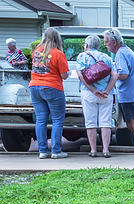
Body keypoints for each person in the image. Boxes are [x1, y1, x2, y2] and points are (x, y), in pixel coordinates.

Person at [28, 27, 69, 159]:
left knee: (40, 120)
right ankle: (56, 151)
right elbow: (63, 75)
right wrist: (68, 73)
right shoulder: (58, 53)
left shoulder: (36, 52)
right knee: (57, 120)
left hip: (34, 87)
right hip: (52, 88)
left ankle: (43, 151)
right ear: (57, 38)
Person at [74, 34, 116, 158]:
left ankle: (93, 150)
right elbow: (115, 75)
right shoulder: (106, 57)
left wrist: (93, 90)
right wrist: (107, 90)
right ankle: (106, 150)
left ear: (86, 45)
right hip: (106, 94)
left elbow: (80, 75)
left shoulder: (82, 56)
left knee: (90, 122)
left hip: (88, 93)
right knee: (106, 122)